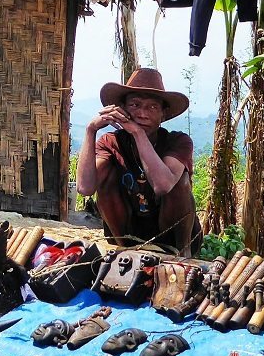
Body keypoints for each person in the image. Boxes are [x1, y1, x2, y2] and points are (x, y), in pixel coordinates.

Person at [76, 67, 201, 256]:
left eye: (152, 107)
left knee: (179, 181)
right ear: (123, 109)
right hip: (129, 232)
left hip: (170, 234)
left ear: (163, 115)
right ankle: (122, 249)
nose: (142, 113)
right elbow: (85, 188)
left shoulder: (177, 142)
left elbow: (163, 185)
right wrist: (90, 130)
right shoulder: (111, 143)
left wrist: (137, 133)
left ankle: (184, 253)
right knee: (105, 177)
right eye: (134, 105)